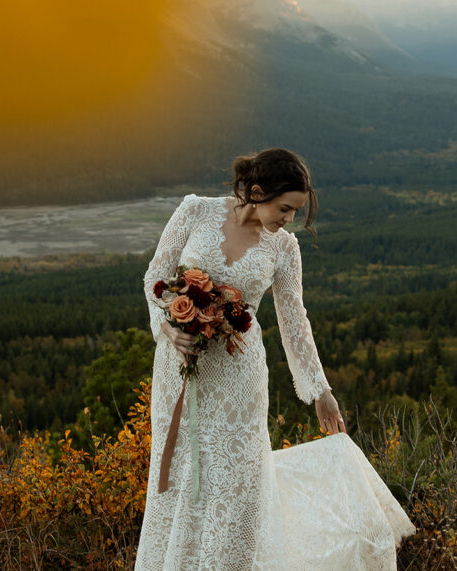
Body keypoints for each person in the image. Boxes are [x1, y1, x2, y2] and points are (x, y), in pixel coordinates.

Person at [135, 148, 415, 569]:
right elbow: (155, 276)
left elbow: (294, 322)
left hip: (239, 383)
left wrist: (320, 391)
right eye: (285, 208)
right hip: (178, 371)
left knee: (235, 484)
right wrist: (170, 328)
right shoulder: (194, 211)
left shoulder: (284, 249)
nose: (289, 219)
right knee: (178, 475)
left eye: (296, 211)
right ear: (257, 191)